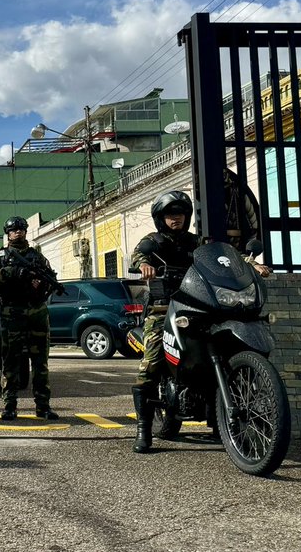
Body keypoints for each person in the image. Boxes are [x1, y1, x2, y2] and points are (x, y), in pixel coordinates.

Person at [129, 190, 201, 454]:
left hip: (197, 307)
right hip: (163, 309)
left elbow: (223, 257)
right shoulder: (153, 241)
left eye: (180, 213)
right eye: (170, 214)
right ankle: (144, 430)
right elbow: (139, 255)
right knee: (151, 365)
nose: (176, 218)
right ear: (161, 217)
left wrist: (249, 264)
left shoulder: (197, 242)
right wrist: (144, 265)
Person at [0, 216, 60, 421]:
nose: (17, 232)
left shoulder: (37, 256)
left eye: (21, 229)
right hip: (12, 312)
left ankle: (43, 406)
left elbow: (50, 278)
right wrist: (14, 272)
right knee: (11, 361)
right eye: (13, 230)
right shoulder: (0, 255)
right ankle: (9, 406)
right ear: (7, 234)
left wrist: (41, 283)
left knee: (40, 363)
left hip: (36, 311)